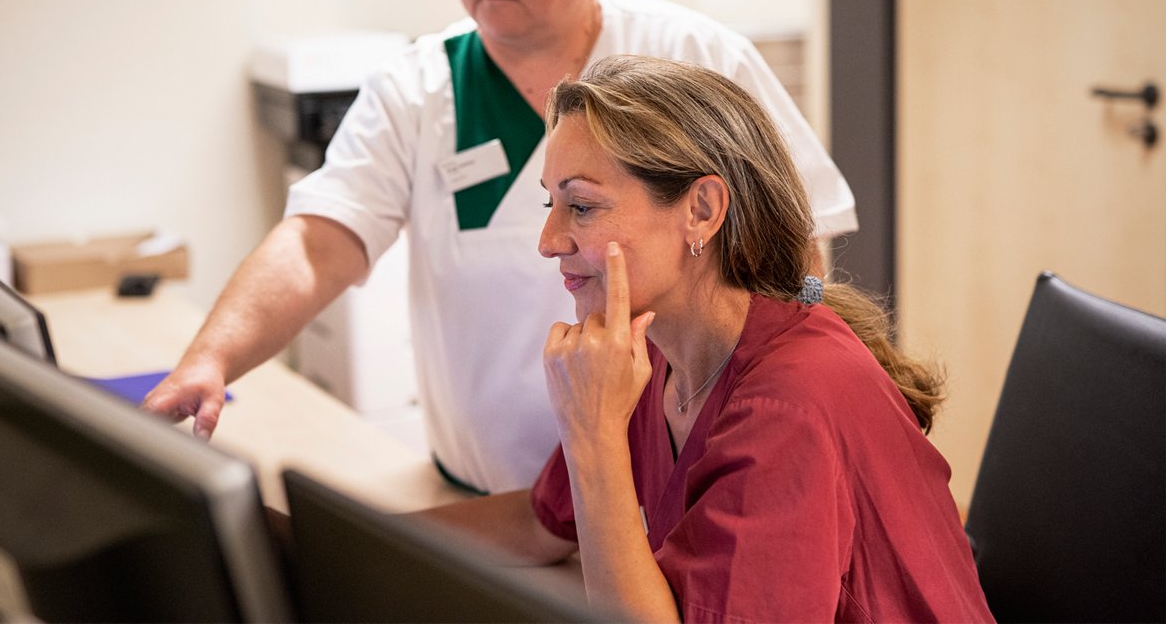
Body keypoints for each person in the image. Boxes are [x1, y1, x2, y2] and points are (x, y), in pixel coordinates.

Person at [141, 0, 858, 495]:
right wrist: (211, 359)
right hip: (489, 498)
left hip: (675, 500)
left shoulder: (694, 56)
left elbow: (799, 252)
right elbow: (318, 243)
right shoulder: (418, 87)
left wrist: (780, 405)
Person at [418, 55, 993, 622]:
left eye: (583, 206)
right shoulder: (651, 354)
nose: (548, 240)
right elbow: (538, 527)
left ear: (701, 209)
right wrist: (340, 544)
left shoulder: (787, 408)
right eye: (552, 203)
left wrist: (592, 435)